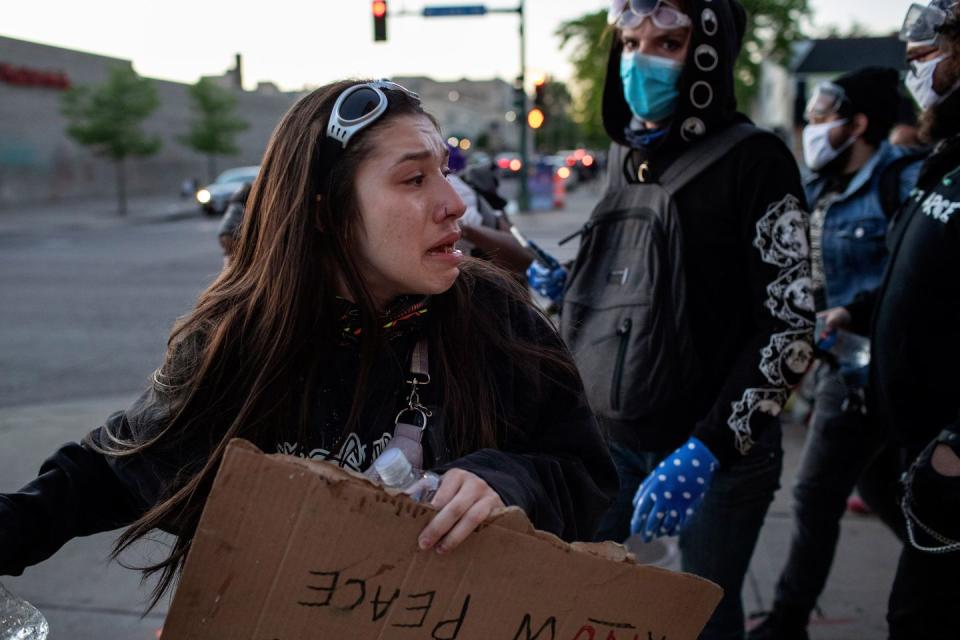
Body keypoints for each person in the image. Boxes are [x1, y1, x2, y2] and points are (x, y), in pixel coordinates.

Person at [0, 80, 618, 609]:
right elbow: (119, 467)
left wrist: (506, 481)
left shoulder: (495, 318)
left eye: (446, 173)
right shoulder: (240, 337)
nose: (454, 203)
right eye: (413, 179)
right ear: (326, 212)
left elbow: (586, 476)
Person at [547, 1, 812, 637]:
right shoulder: (624, 154)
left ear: (708, 56)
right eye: (631, 43)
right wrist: (569, 285)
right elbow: (628, 286)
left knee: (702, 624)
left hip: (713, 451)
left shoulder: (759, 162)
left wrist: (711, 446)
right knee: (590, 607)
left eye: (667, 43)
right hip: (612, 440)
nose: (641, 61)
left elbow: (790, 325)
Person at [748, 67, 923, 640]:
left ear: (860, 123)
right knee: (876, 487)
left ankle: (788, 620)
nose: (812, 126)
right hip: (836, 363)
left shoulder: (905, 180)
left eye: (824, 115)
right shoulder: (818, 183)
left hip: (884, 366)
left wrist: (855, 310)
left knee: (816, 491)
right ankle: (941, 563)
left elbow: (915, 273)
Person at [818, 2, 960, 637]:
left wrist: (957, 448)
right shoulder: (946, 157)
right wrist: (858, 309)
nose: (917, 71)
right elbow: (916, 273)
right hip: (913, 448)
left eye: (930, 55)